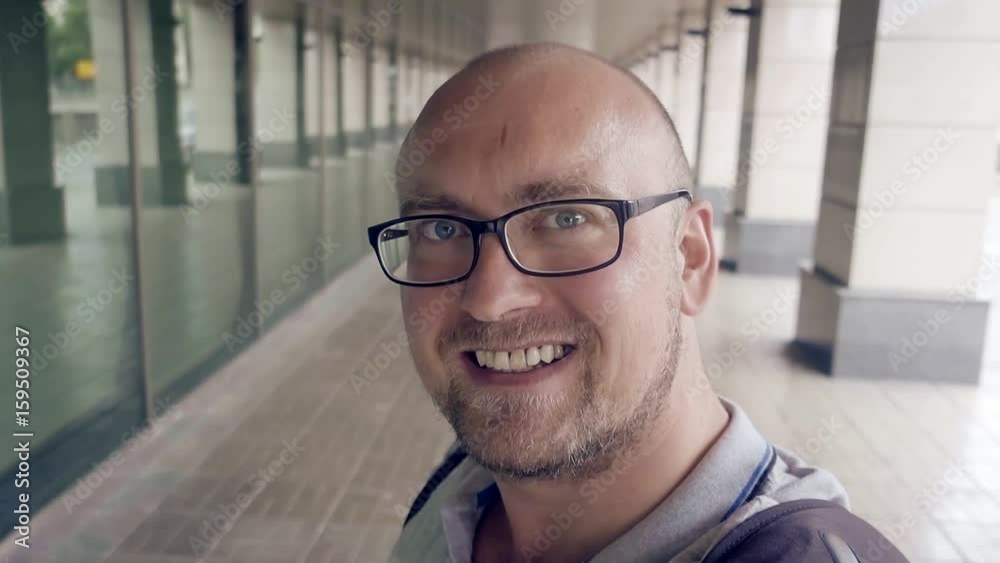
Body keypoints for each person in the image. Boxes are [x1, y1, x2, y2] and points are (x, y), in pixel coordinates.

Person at [368, 43, 907, 563]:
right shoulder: (464, 485)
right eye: (440, 229)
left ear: (690, 257)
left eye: (567, 219)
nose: (489, 299)